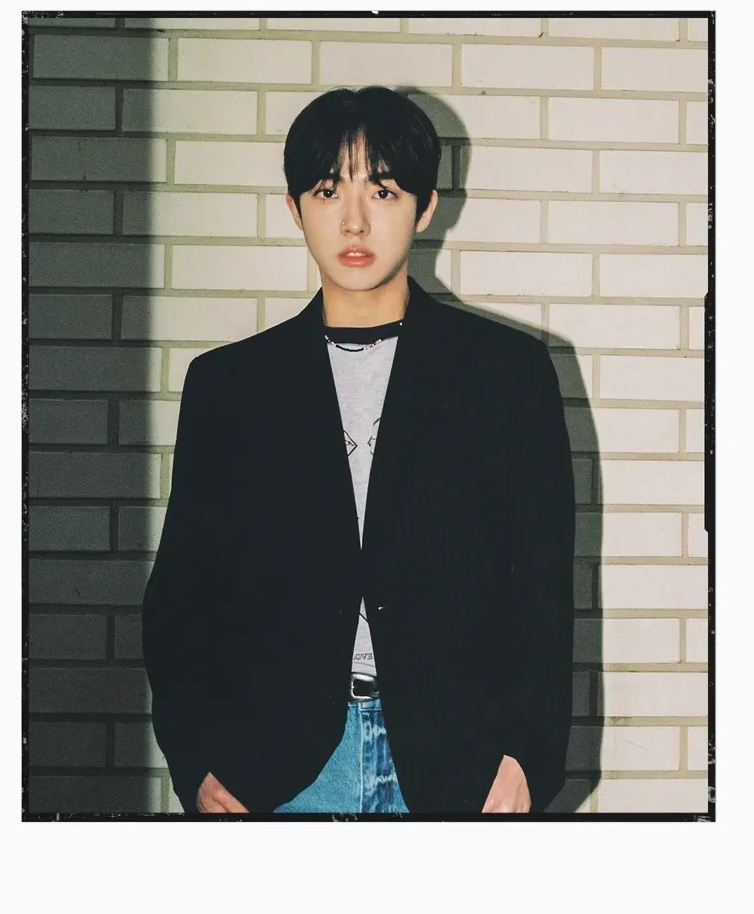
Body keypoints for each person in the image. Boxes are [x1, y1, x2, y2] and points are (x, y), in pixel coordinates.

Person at [141, 86, 575, 815]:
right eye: (327, 190)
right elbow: (182, 594)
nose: (353, 220)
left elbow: (542, 589)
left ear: (426, 207)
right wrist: (197, 758)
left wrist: (526, 757)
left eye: (382, 190)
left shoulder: (508, 375)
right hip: (277, 770)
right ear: (294, 208)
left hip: (459, 765)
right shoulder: (230, 385)